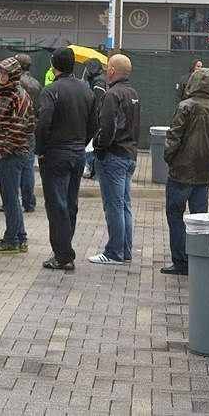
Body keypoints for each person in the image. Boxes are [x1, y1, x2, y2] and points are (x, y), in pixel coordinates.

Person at [35, 47, 97, 271]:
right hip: (77, 152)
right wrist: (82, 142)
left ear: (54, 65)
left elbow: (43, 122)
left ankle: (62, 254)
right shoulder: (86, 92)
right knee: (70, 203)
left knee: (56, 204)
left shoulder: (50, 91)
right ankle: (63, 248)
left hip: (55, 153)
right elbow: (93, 124)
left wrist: (40, 148)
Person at [162, 67, 209, 275]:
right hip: (204, 172)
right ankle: (199, 257)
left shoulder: (185, 107)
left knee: (175, 214)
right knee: (199, 218)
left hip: (181, 172)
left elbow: (174, 136)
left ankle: (180, 261)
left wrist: (169, 157)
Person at [88, 54, 141, 265]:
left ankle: (114, 252)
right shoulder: (133, 93)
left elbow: (107, 127)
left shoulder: (112, 95)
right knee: (124, 205)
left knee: (114, 206)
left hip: (114, 156)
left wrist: (99, 148)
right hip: (129, 154)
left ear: (111, 70)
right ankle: (124, 250)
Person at [0, 57, 34, 256]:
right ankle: (20, 237)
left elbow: (19, 127)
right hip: (10, 151)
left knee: (10, 197)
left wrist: (4, 151)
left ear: (14, 73)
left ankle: (12, 239)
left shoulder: (17, 95)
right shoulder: (8, 94)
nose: (1, 75)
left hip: (12, 154)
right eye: (0, 72)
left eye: (5, 72)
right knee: (10, 196)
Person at [16, 53, 41, 212]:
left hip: (18, 128)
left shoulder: (17, 84)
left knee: (15, 168)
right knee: (28, 167)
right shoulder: (36, 84)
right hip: (32, 128)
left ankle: (11, 201)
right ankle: (29, 201)